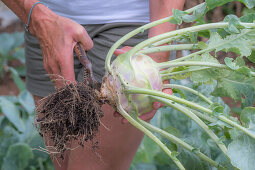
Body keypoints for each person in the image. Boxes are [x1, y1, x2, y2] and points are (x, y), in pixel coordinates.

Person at [2, 0, 185, 169]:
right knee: (62, 163)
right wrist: (36, 17)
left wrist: (157, 56)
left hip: (129, 24)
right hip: (42, 18)